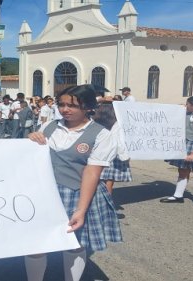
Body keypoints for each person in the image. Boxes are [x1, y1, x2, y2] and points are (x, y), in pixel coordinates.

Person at [25, 85, 121, 281]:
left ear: (87, 107)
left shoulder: (101, 134)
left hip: (78, 193)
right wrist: (30, 139)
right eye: (61, 104)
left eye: (72, 105)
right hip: (45, 193)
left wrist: (81, 210)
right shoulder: (49, 126)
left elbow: (92, 172)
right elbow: (32, 157)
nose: (65, 109)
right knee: (36, 243)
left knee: (74, 243)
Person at [93, 102, 132, 194]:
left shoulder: (94, 123)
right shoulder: (117, 124)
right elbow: (119, 142)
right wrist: (125, 156)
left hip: (97, 155)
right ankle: (107, 204)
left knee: (95, 181)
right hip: (112, 156)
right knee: (108, 183)